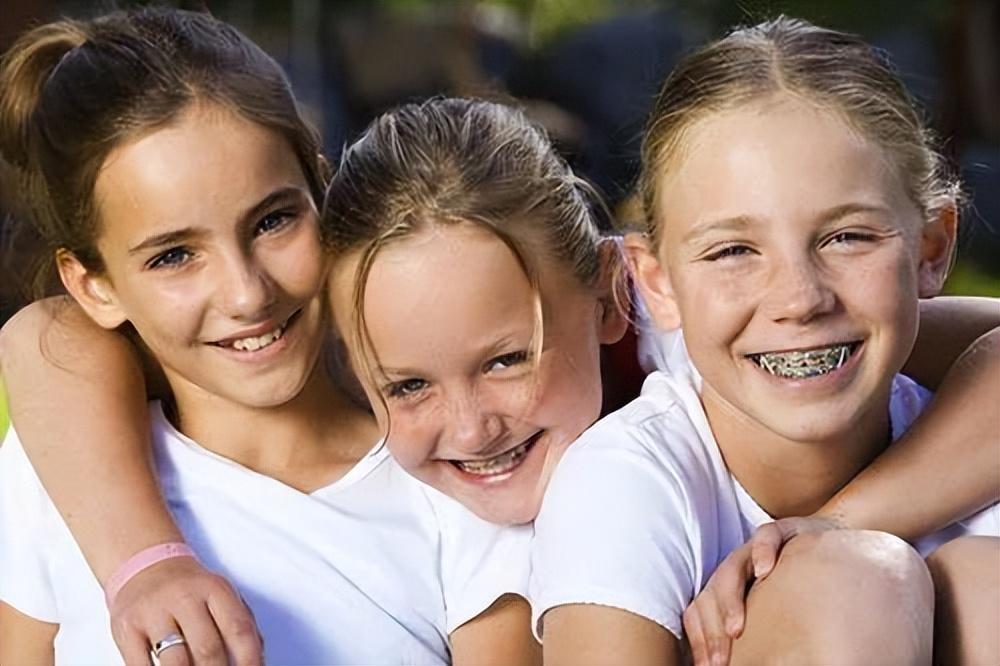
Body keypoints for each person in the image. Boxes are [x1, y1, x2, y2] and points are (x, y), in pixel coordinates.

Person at [2, 96, 998, 660]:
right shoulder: (393, 418)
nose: (474, 426)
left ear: (617, 291)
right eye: (409, 387)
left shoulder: (691, 342)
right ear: (357, 359)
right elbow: (52, 336)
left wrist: (837, 520)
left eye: (509, 360)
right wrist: (142, 561)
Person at [0, 10, 537, 665]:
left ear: (322, 192)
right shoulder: (59, 467)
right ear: (94, 287)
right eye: (174, 256)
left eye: (273, 221)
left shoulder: (460, 477)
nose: (247, 294)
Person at [530, 16, 1000, 665]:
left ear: (932, 248)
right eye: (733, 251)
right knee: (854, 585)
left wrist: (835, 525)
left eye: (848, 238)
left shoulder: (962, 450)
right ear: (657, 283)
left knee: (983, 585)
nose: (800, 300)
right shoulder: (628, 482)